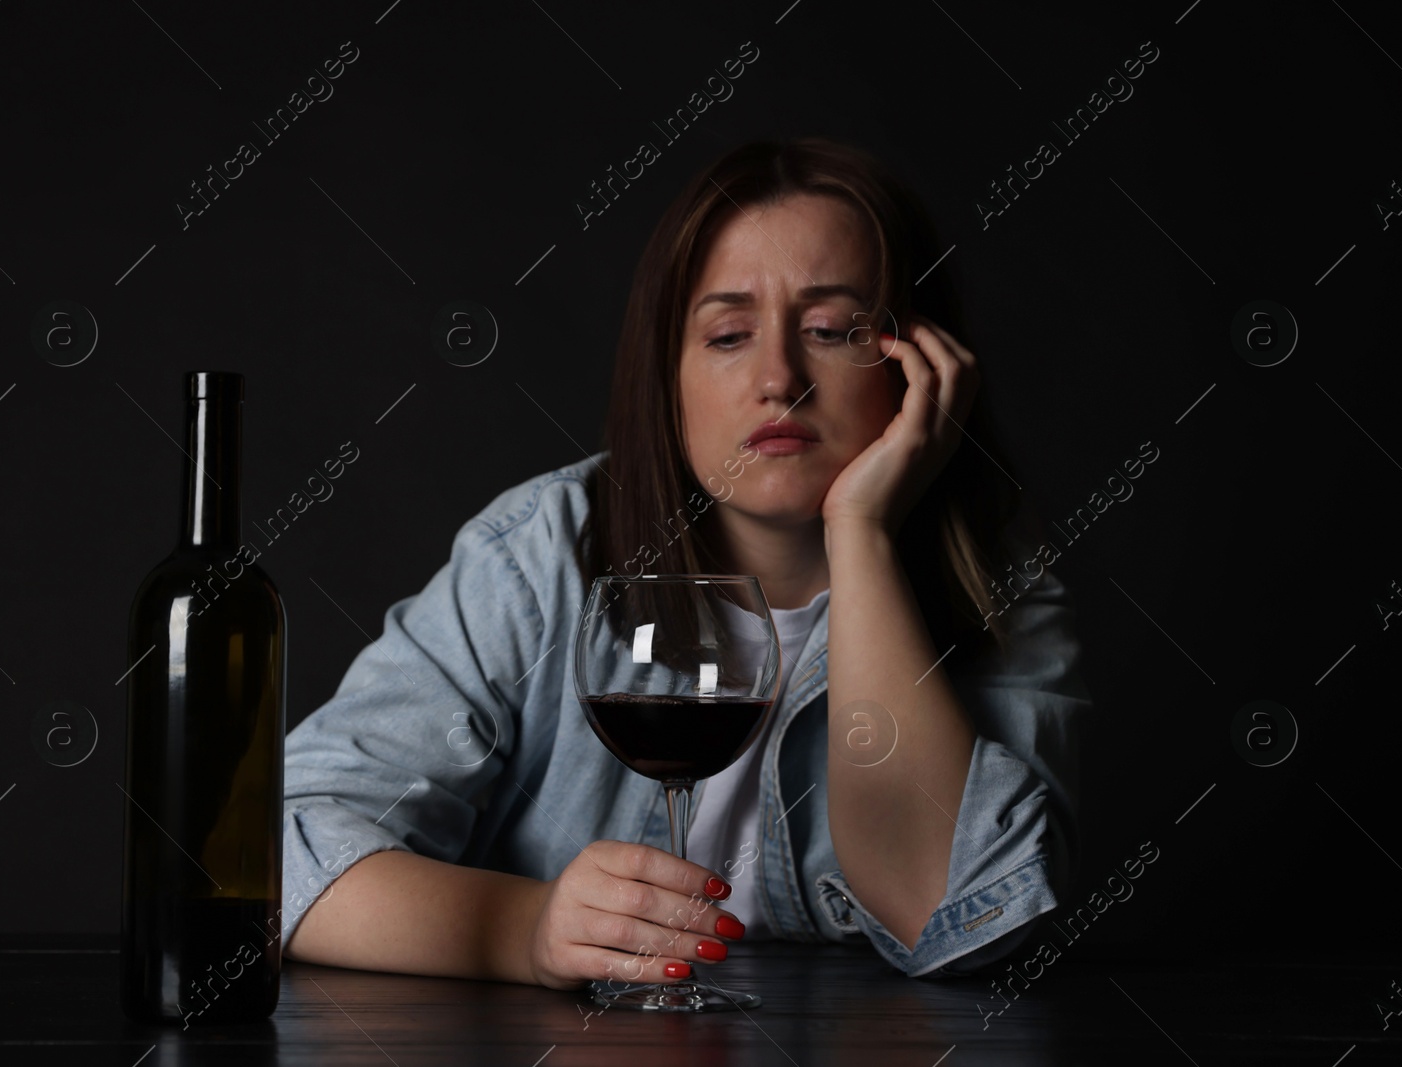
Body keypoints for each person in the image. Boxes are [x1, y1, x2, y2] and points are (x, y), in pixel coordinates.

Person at [279, 136, 1090, 988]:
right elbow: (283, 848)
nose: (780, 378)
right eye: (729, 334)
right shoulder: (539, 557)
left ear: (922, 366)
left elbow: (956, 918)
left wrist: (862, 529)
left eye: (829, 329)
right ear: (665, 377)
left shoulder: (996, 583)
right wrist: (526, 930)